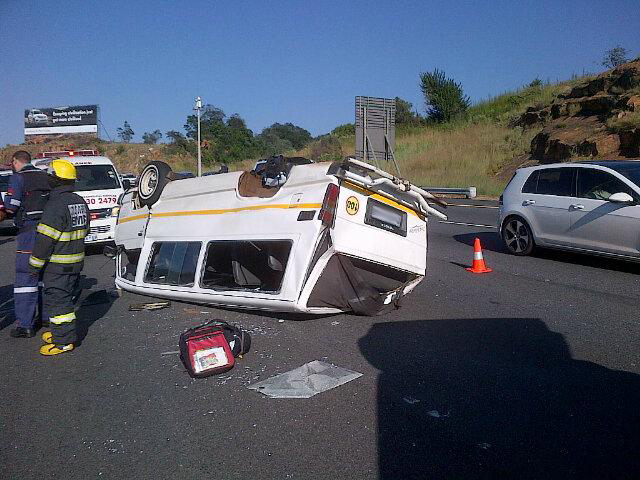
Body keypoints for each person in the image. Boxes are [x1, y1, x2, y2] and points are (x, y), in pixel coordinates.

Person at [28, 159, 89, 355]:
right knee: (65, 299)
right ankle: (60, 333)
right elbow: (85, 230)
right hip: (75, 261)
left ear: (55, 179)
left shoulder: (56, 204)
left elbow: (45, 240)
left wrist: (34, 265)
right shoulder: (79, 201)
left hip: (57, 264)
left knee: (59, 303)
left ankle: (63, 341)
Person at [0, 150, 50, 338]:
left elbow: (11, 208)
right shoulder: (45, 177)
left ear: (15, 162)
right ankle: (45, 317)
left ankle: (25, 324)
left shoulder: (18, 179)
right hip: (47, 232)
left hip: (29, 233)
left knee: (25, 278)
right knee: (44, 274)